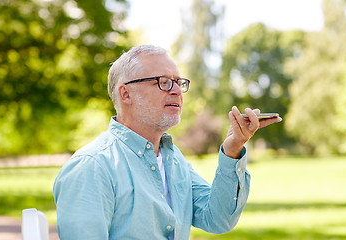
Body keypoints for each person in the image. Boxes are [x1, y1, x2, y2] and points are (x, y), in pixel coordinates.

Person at [53, 45, 282, 239]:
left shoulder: (173, 159)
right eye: (163, 82)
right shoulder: (92, 167)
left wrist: (233, 149)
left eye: (178, 82)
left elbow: (217, 219)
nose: (176, 91)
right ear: (125, 94)